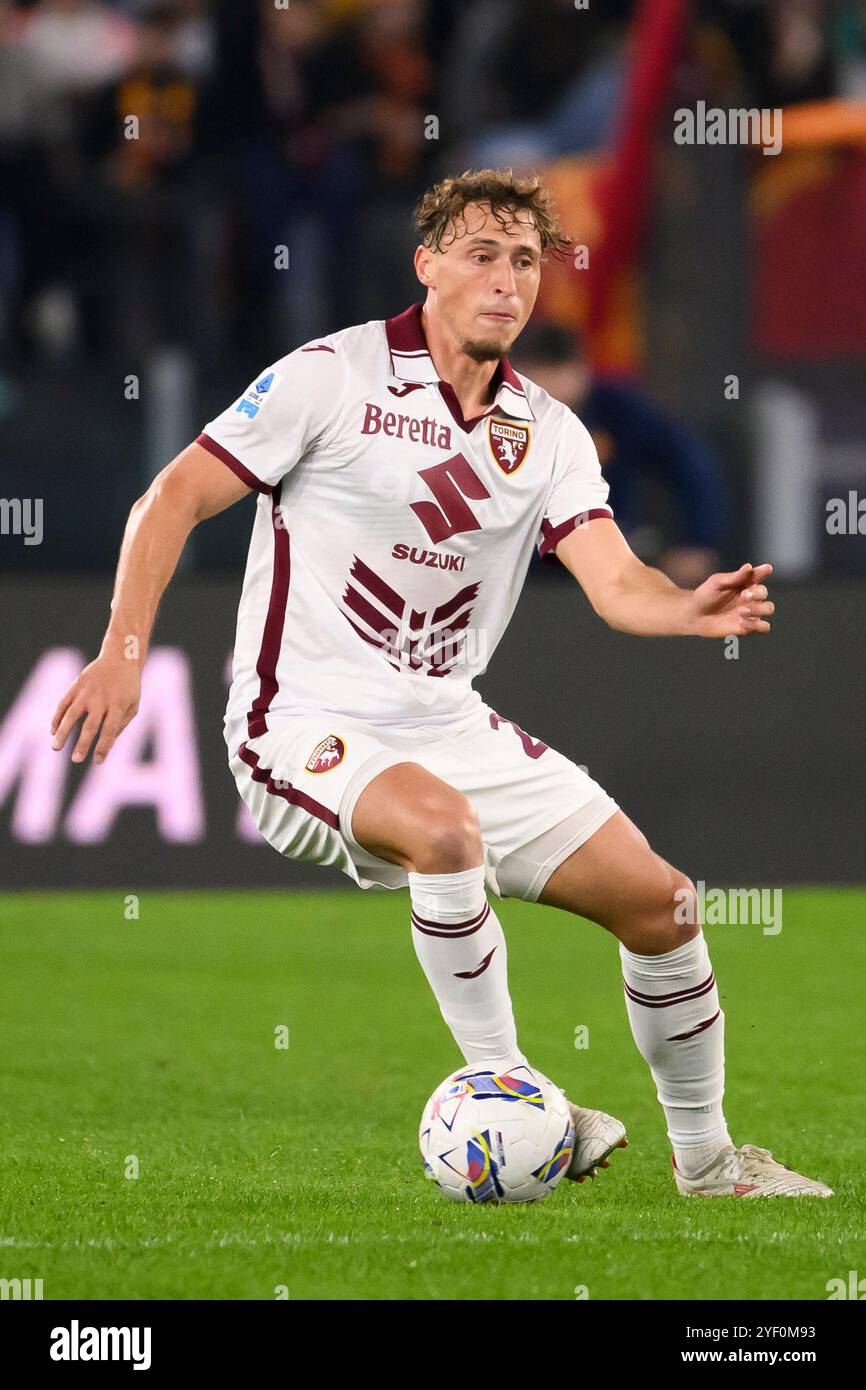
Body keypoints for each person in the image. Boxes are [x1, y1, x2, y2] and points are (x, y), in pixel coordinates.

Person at [50, 168, 831, 1198]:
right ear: (426, 264)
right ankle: (512, 1088)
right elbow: (171, 498)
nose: (507, 281)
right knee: (445, 831)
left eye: (525, 261)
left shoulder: (547, 432)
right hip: (299, 722)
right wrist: (122, 651)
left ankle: (710, 1164)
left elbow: (613, 583)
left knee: (668, 906)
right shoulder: (331, 377)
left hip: (448, 723)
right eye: (481, 255)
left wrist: (683, 606)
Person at [510, 320, 728, 586]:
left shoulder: (616, 410)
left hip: (611, 562)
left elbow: (690, 464)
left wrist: (698, 541)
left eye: (560, 374)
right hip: (522, 571)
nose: (552, 390)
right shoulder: (493, 416)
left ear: (582, 371)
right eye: (538, 378)